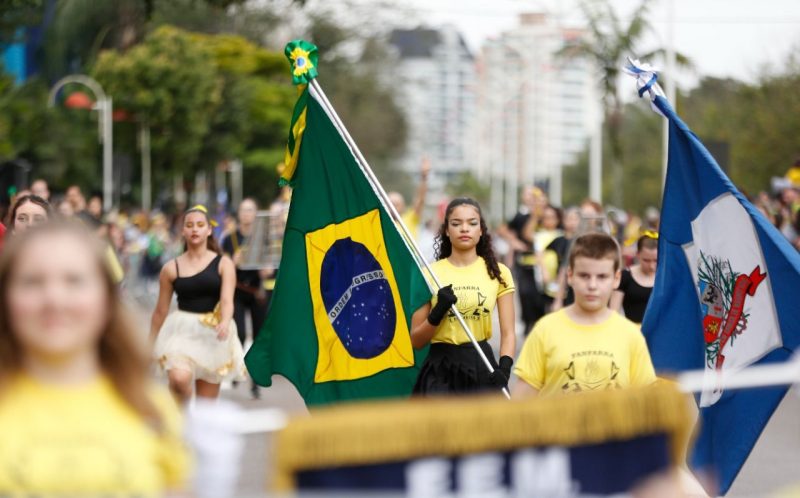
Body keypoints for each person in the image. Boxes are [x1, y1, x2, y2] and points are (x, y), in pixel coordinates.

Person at [0, 221, 189, 495]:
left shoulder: (151, 408)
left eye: (74, 281)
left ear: (106, 298)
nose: (54, 298)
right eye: (33, 282)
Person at [513, 232, 656, 397]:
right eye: (584, 276)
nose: (592, 285)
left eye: (602, 277)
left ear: (616, 278)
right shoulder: (545, 330)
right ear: (570, 275)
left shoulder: (631, 335)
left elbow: (645, 400)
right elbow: (522, 400)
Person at [410, 198, 516, 394]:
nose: (464, 229)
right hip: (439, 371)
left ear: (481, 230)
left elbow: (508, 332)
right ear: (447, 231)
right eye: (456, 224)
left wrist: (505, 368)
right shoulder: (427, 274)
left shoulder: (499, 273)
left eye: (472, 223)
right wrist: (437, 313)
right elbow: (416, 341)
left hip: (482, 365)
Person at [150, 204, 246, 403]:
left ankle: (194, 428)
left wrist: (226, 322)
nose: (195, 229)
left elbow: (227, 301)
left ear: (209, 230)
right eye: (190, 225)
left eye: (200, 225)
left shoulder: (223, 264)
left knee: (206, 407)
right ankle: (181, 418)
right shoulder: (170, 268)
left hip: (213, 332)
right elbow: (161, 310)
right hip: (181, 330)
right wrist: (149, 343)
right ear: (183, 230)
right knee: (179, 378)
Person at [221, 198, 269, 399]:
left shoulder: (264, 237)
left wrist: (268, 271)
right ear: (239, 213)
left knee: (258, 337)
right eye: (244, 210)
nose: (247, 214)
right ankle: (236, 371)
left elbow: (273, 262)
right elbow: (221, 265)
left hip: (257, 292)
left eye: (251, 210)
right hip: (238, 291)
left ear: (256, 213)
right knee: (239, 332)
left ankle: (256, 382)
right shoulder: (229, 238)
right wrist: (232, 262)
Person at [497, 186, 549, 332]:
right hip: (525, 260)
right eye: (529, 196)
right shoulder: (521, 215)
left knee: (541, 296)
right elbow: (504, 229)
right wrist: (514, 242)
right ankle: (527, 324)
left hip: (545, 261)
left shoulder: (548, 215)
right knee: (525, 293)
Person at [610, 232, 658, 324]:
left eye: (656, 260)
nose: (652, 266)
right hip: (632, 331)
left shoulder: (665, 278)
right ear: (637, 255)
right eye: (646, 260)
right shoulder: (625, 276)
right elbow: (614, 312)